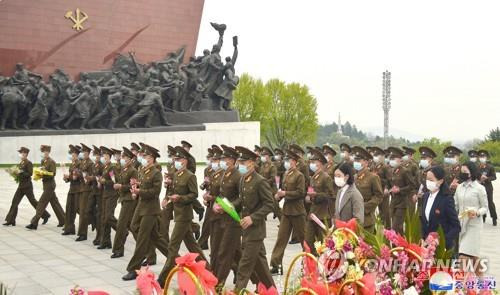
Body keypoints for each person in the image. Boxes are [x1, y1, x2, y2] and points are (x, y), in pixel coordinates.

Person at [157, 146, 209, 286]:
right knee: (193, 247)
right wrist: (167, 199)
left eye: (179, 159)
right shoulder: (177, 175)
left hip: (184, 216)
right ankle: (209, 271)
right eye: (175, 159)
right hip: (178, 214)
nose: (176, 161)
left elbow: (194, 195)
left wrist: (179, 198)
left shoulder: (189, 176)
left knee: (172, 247)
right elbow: (172, 190)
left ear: (185, 161)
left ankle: (161, 280)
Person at [226, 146, 274, 292]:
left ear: (252, 163)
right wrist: (230, 206)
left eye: (243, 162)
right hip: (246, 229)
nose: (240, 165)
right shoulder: (243, 180)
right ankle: (273, 290)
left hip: (256, 230)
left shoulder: (260, 181)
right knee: (261, 267)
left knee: (244, 266)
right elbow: (241, 200)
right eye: (239, 162)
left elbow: (269, 204)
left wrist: (253, 218)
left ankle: (237, 291)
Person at [122, 145, 170, 281]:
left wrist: (139, 191)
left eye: (145, 157)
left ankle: (133, 268)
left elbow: (155, 192)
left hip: (150, 208)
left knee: (143, 237)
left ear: (151, 158)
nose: (142, 159)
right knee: (149, 234)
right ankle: (175, 259)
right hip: (141, 206)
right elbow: (144, 186)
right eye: (142, 156)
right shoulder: (143, 170)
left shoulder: (156, 173)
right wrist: (136, 185)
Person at [270, 149, 305, 274]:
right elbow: (283, 189)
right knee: (281, 238)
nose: (286, 162)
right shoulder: (286, 174)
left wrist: (286, 193)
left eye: (288, 160)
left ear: (294, 162)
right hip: (286, 211)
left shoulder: (299, 175)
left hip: (297, 211)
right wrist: (279, 195)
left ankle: (310, 263)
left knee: (304, 239)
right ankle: (276, 265)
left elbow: (301, 193)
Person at [212, 145, 242, 288]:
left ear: (232, 160)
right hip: (223, 218)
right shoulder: (225, 174)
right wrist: (216, 204)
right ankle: (258, 278)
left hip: (234, 219)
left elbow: (242, 198)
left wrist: (229, 206)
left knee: (224, 252)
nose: (222, 161)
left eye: (225, 159)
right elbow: (220, 194)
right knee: (237, 254)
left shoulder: (238, 175)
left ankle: (218, 285)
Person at [454, 161, 488, 275]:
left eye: (465, 172)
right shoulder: (459, 187)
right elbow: (455, 205)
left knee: (463, 257)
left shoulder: (479, 188)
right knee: (473, 259)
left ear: (472, 172)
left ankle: (460, 289)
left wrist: (477, 212)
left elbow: (485, 208)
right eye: (461, 171)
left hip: (474, 227)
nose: (462, 174)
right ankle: (484, 286)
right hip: (462, 226)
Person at [4, 147, 50, 226]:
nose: (21, 154)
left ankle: (45, 215)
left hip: (27, 186)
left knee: (33, 202)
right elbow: (19, 174)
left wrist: (21, 172)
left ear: (25, 154)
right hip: (21, 186)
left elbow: (30, 174)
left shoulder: (29, 163)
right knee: (15, 202)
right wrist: (14, 173)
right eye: (20, 153)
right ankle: (11, 220)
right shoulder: (21, 162)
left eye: (22, 153)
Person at [420, 165, 460, 250]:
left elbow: (456, 226)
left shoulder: (446, 199)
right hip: (426, 245)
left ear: (440, 181)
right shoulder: (426, 196)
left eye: (431, 180)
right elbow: (423, 220)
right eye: (427, 179)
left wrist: (443, 241)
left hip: (441, 247)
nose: (428, 182)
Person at [304, 148, 334, 256]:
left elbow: (330, 196)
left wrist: (315, 195)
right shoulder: (313, 178)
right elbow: (310, 193)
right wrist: (309, 198)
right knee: (308, 241)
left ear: (320, 163)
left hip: (323, 216)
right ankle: (309, 264)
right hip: (313, 214)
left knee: (323, 244)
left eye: (314, 162)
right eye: (311, 162)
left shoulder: (326, 178)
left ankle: (323, 266)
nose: (311, 164)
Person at [27, 145, 65, 229]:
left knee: (41, 203)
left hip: (50, 185)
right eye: (44, 152)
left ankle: (34, 223)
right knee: (55, 203)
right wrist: (39, 175)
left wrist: (44, 173)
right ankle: (63, 220)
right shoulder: (43, 161)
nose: (45, 153)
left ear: (49, 153)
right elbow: (42, 171)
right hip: (45, 185)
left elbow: (53, 174)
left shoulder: (52, 162)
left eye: (47, 152)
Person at [111, 147, 139, 258]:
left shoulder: (133, 170)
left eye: (125, 157)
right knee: (132, 226)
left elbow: (133, 186)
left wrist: (121, 186)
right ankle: (147, 250)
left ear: (130, 159)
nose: (122, 159)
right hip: (124, 199)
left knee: (121, 225)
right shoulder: (124, 169)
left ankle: (118, 250)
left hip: (129, 200)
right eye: (123, 157)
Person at [352, 146, 383, 233]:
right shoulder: (354, 178)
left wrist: (364, 207)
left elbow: (379, 196)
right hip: (353, 218)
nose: (356, 163)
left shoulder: (373, 177)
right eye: (355, 161)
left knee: (366, 245)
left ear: (366, 162)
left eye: (358, 161)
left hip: (366, 219)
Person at [387, 147, 414, 235]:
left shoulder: (405, 171)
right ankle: (401, 247)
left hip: (402, 203)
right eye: (391, 159)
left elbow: (412, 185)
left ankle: (397, 247)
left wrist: (400, 190)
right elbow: (389, 183)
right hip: (393, 202)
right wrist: (388, 189)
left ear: (399, 159)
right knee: (398, 228)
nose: (392, 161)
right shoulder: (391, 171)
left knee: (395, 227)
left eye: (393, 159)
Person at [97, 146, 119, 249]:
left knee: (108, 217)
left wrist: (104, 181)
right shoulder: (105, 167)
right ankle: (106, 241)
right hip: (105, 194)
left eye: (105, 156)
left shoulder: (111, 168)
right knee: (104, 218)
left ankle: (121, 231)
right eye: (103, 156)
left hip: (112, 195)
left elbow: (114, 182)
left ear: (109, 157)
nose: (103, 158)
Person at [76, 143, 94, 241]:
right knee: (82, 211)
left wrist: (87, 177)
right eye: (83, 152)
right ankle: (90, 223)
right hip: (82, 188)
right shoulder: (82, 162)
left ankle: (83, 233)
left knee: (83, 211)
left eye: (85, 152)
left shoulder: (90, 163)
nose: (84, 154)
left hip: (87, 189)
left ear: (88, 153)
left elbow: (92, 176)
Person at [370, 146, 392, 229]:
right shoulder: (373, 167)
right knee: (377, 212)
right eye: (375, 155)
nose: (375, 157)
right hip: (375, 192)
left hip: (383, 191)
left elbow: (389, 180)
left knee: (385, 212)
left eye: (377, 155)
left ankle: (387, 229)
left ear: (382, 156)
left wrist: (387, 188)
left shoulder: (385, 167)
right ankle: (379, 228)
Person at [62, 145, 81, 235]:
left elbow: (76, 177)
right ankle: (69, 228)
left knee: (78, 209)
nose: (72, 157)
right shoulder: (72, 164)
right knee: (69, 208)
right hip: (72, 189)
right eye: (72, 155)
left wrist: (69, 177)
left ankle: (92, 221)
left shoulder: (79, 164)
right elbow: (71, 177)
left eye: (73, 155)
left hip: (78, 190)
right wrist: (66, 178)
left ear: (77, 155)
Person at [259, 147, 280, 220]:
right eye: (262, 155)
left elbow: (273, 178)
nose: (263, 157)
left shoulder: (272, 166)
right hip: (263, 188)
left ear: (268, 156)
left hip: (271, 189)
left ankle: (282, 220)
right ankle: (262, 218)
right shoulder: (262, 166)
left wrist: (264, 183)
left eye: (264, 155)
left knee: (275, 206)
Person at [477, 150, 497, 226]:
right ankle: (483, 216)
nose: (482, 158)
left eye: (483, 157)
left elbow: (494, 177)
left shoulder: (490, 167)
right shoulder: (477, 167)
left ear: (486, 157)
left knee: (490, 203)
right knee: (481, 202)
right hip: (479, 187)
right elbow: (475, 175)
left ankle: (494, 218)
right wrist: (479, 178)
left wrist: (487, 178)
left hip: (488, 187)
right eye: (480, 157)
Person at [89, 145, 104, 246]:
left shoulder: (103, 166)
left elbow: (109, 180)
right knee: (89, 210)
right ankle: (94, 225)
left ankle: (99, 236)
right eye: (94, 155)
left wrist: (96, 179)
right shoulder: (94, 165)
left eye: (97, 155)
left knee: (100, 215)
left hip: (100, 193)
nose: (96, 157)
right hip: (93, 191)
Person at [402, 146, 420, 215]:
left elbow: (417, 180)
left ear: (411, 156)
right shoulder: (402, 165)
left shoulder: (414, 165)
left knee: (410, 213)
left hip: (411, 192)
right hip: (403, 192)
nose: (405, 156)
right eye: (405, 155)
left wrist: (416, 193)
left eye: (407, 155)